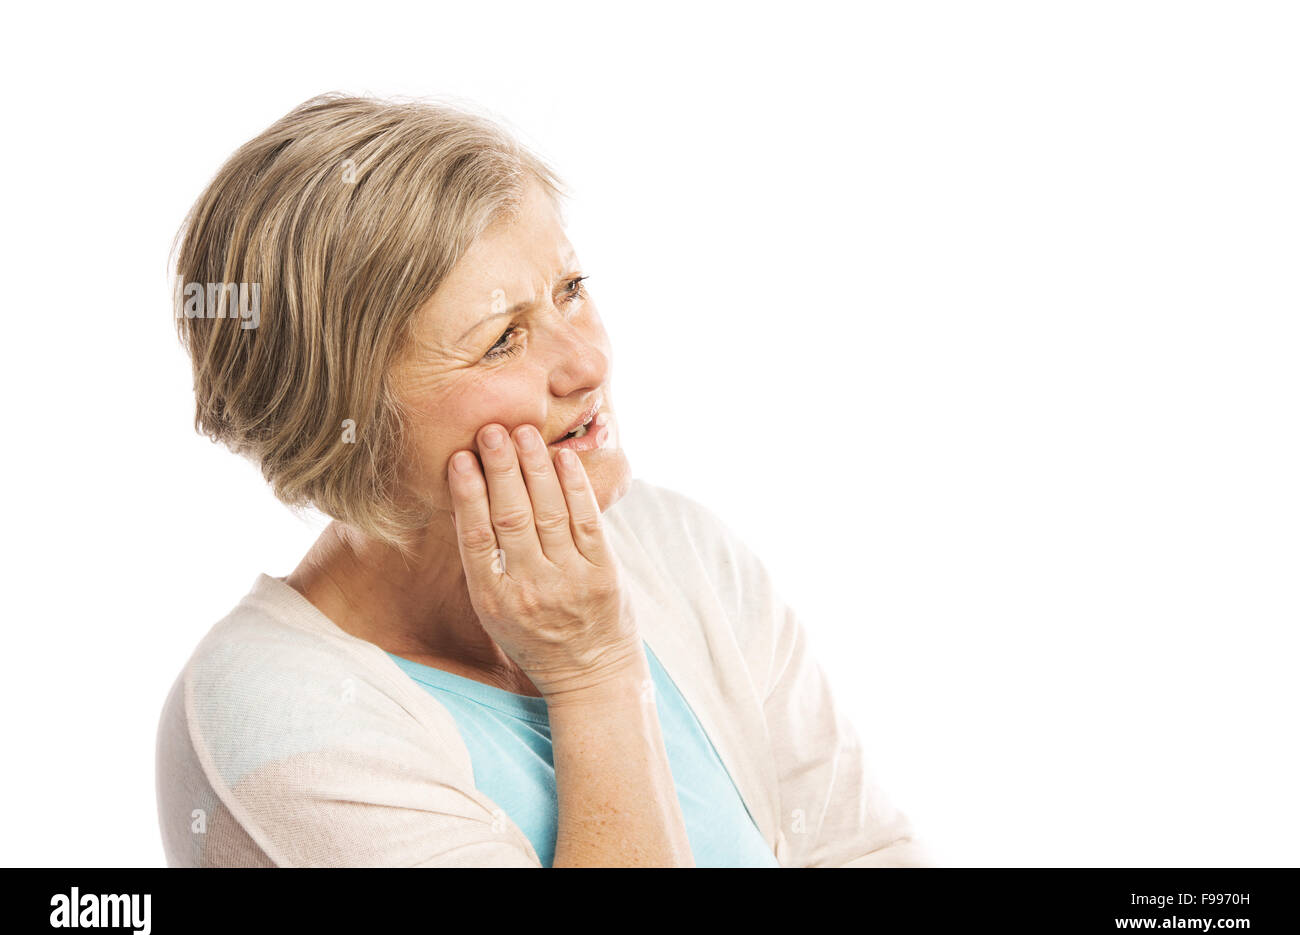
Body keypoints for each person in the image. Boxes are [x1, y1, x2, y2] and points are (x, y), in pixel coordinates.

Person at [156, 93, 929, 867]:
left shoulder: (672, 542)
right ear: (344, 423)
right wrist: (593, 669)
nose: (587, 364)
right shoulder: (271, 722)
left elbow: (866, 849)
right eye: (502, 341)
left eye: (571, 290)